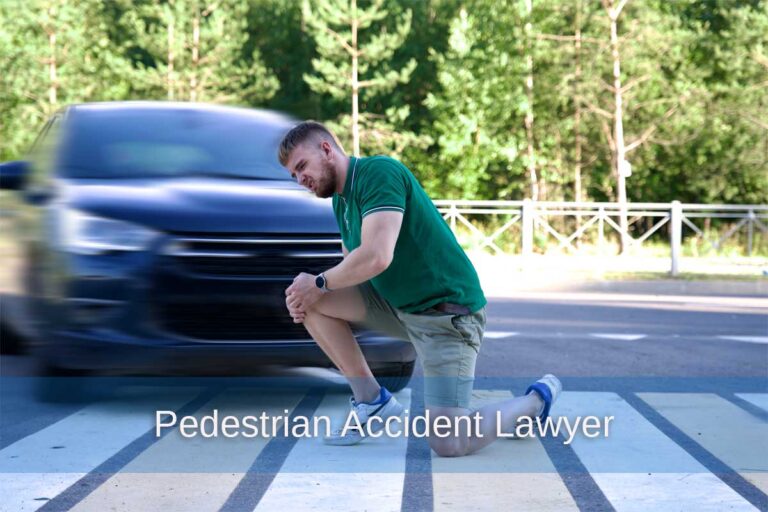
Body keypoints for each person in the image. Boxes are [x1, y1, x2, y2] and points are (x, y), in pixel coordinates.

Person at [279, 121, 561, 457]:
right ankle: (372, 401)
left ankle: (534, 401)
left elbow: (376, 256)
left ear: (326, 149)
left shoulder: (378, 173)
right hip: (400, 309)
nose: (300, 180)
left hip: (448, 318)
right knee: (305, 298)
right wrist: (309, 292)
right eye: (293, 175)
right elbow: (353, 268)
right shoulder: (341, 201)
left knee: (449, 443)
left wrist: (320, 283)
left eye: (301, 167)